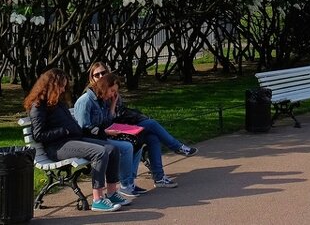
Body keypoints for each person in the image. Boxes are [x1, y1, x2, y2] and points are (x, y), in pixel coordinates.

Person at [25, 69, 127, 212]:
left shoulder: (57, 102)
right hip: (57, 147)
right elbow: (39, 135)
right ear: (50, 85)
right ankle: (98, 199)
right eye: (60, 86)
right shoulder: (38, 106)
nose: (62, 90)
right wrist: (65, 130)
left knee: (112, 149)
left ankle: (111, 193)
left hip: (72, 140)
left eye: (64, 86)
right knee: (100, 152)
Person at [87, 63, 196, 188]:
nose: (101, 76)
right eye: (97, 75)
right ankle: (177, 147)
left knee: (152, 136)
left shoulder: (112, 92)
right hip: (109, 132)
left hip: (121, 126)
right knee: (149, 126)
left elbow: (115, 116)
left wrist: (114, 104)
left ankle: (159, 178)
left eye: (104, 73)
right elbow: (96, 125)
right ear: (92, 77)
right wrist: (111, 114)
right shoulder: (93, 97)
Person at [74, 72, 148, 197]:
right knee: (126, 147)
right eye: (112, 90)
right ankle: (125, 184)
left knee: (138, 140)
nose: (113, 94)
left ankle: (129, 181)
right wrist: (106, 132)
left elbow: (107, 121)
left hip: (103, 135)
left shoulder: (102, 100)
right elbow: (83, 128)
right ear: (104, 87)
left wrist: (113, 105)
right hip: (89, 140)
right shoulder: (86, 101)